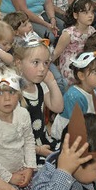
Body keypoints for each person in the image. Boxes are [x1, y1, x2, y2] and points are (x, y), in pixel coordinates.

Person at [13, 33, 64, 166]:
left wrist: (52, 82)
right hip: (24, 149)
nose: (42, 69)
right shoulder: (14, 94)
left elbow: (58, 107)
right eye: (36, 62)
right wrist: (38, 150)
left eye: (46, 63)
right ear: (19, 63)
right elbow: (12, 138)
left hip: (43, 141)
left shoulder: (40, 86)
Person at [51, 51, 96, 138]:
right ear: (81, 76)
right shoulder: (74, 96)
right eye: (95, 72)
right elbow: (76, 123)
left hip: (88, 128)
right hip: (69, 132)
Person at [53, 0, 96, 85]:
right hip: (71, 66)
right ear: (75, 15)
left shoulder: (92, 31)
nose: (90, 16)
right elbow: (55, 53)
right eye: (85, 13)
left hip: (86, 63)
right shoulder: (68, 33)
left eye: (92, 12)